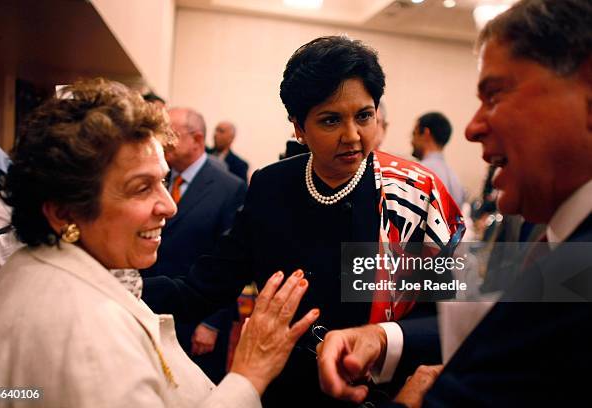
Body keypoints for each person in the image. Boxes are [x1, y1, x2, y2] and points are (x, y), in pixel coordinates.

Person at [143, 36, 464, 407]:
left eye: (364, 116)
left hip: (374, 393)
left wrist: (378, 337)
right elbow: (205, 286)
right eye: (330, 120)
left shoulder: (410, 194)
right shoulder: (271, 186)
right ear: (298, 127)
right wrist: (122, 288)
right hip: (284, 389)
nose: (352, 136)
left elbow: (443, 320)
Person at [316, 0, 592, 406]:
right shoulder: (546, 229)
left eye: (494, 96)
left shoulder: (422, 185)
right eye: (329, 120)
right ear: (299, 129)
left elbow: (455, 288)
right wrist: (385, 337)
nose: (473, 126)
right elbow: (499, 319)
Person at [0, 78, 319, 407]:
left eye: (163, 181)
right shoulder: (86, 337)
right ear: (63, 212)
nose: (169, 207)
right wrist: (249, 375)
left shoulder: (41, 267)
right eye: (142, 188)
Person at [142, 107, 246, 383]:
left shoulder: (229, 187)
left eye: (169, 135)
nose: (161, 142)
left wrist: (211, 323)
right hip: (149, 307)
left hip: (196, 317)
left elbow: (228, 260)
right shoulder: (159, 178)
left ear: (197, 139)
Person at [411, 112, 466, 208]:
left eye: (414, 134)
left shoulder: (419, 173)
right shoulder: (455, 179)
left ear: (425, 133)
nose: (412, 141)